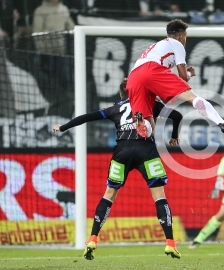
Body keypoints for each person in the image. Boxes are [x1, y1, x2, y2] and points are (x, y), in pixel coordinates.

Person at [52, 78, 183, 260]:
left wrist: (64, 127)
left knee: (109, 194)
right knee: (159, 196)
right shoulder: (151, 103)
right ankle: (170, 243)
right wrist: (174, 136)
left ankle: (92, 239)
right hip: (147, 150)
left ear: (121, 94)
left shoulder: (114, 108)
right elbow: (178, 116)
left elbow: (88, 117)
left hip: (122, 151)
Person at [126, 18, 224, 140]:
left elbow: (149, 74)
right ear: (181, 36)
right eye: (185, 37)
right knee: (192, 98)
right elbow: (183, 77)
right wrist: (189, 74)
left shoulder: (155, 46)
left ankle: (140, 120)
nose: (185, 40)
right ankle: (222, 123)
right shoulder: (176, 43)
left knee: (148, 131)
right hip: (152, 70)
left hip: (133, 77)